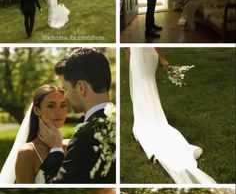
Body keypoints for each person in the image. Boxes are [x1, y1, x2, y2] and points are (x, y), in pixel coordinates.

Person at [126, 47, 216, 184]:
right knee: (144, 86)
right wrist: (161, 58)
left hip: (142, 54)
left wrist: (161, 57)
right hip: (139, 54)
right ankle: (148, 114)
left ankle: (148, 115)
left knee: (145, 86)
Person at [38, 48, 116, 184]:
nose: (65, 96)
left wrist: (56, 148)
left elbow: (56, 186)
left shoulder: (86, 136)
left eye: (66, 89)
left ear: (81, 87)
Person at [0, 85, 67, 184]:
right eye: (51, 106)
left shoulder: (71, 146)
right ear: (36, 110)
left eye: (63, 105)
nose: (59, 111)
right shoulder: (28, 152)